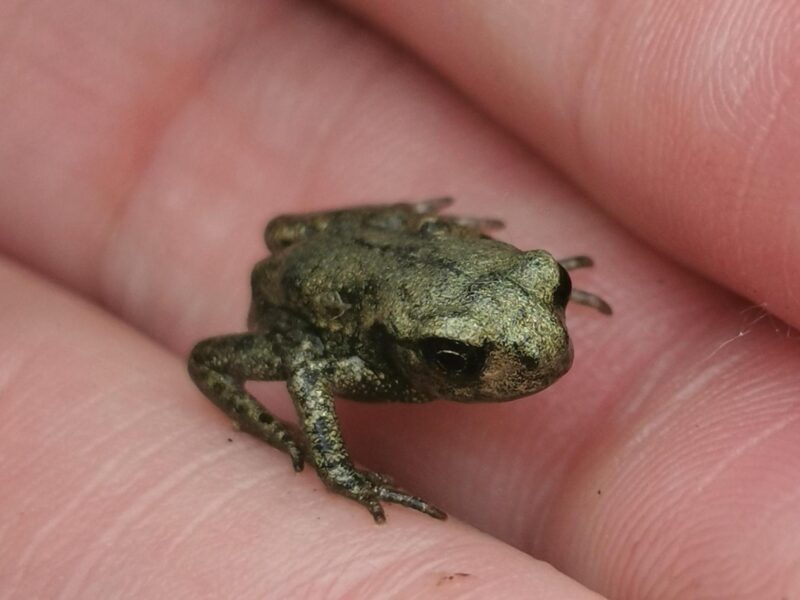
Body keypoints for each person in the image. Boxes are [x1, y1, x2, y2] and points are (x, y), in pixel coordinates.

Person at [1, 2, 798, 597]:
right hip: (295, 300)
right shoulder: (368, 368)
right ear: (421, 355)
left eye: (549, 287)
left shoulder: (504, 271)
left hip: (403, 268)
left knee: (366, 250)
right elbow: (309, 377)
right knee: (216, 359)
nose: (542, 344)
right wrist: (335, 465)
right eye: (462, 358)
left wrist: (518, 278)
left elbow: (489, 264)